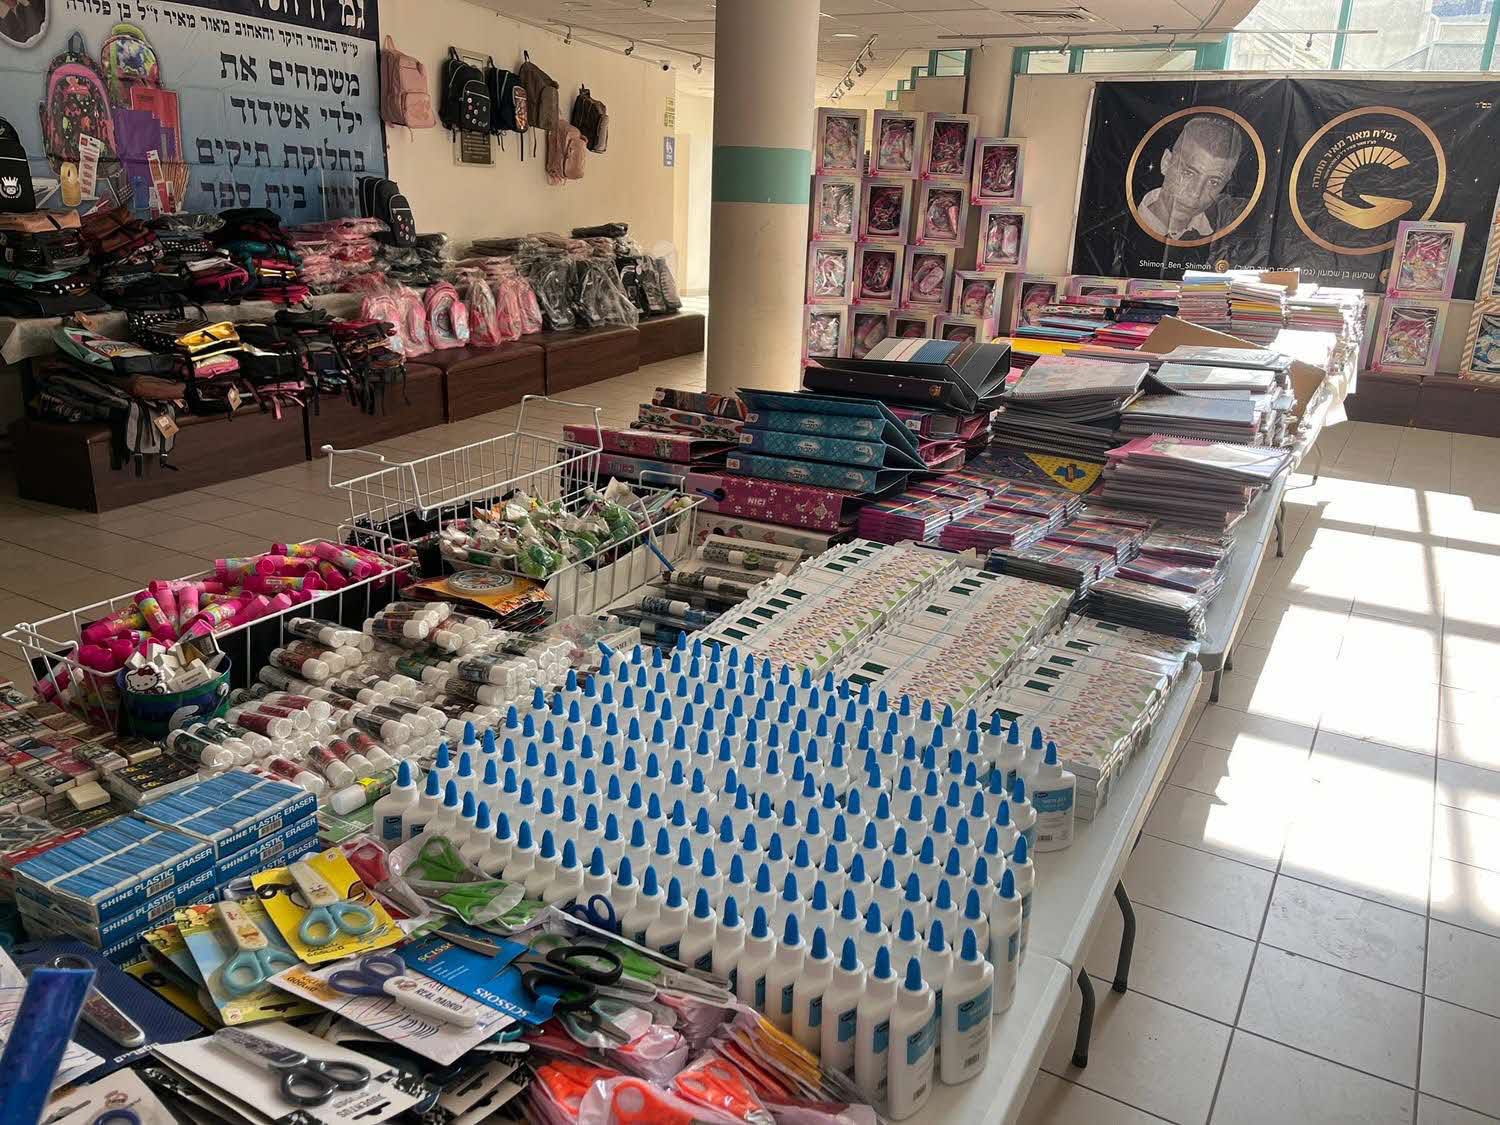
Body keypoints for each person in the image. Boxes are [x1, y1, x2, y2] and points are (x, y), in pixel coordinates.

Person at [1137, 114, 1248, 240]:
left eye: (1213, 182)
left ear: (1225, 184)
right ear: (1166, 163)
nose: (1196, 193)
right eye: (1188, 173)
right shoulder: (1124, 223)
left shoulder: (1227, 235)